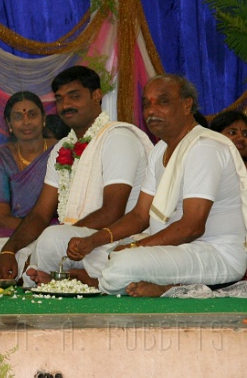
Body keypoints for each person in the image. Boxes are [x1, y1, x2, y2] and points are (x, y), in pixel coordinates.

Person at [0, 65, 152, 286]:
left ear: (96, 96)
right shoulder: (63, 148)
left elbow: (113, 212)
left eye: (74, 97)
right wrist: (9, 250)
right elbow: (39, 214)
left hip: (113, 240)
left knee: (51, 239)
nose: (65, 105)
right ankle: (55, 273)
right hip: (72, 240)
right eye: (60, 99)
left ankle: (46, 273)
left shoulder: (118, 138)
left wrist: (60, 240)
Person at [89, 75, 247, 296]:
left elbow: (192, 227)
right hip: (177, 248)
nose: (152, 111)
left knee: (121, 265)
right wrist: (93, 240)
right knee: (96, 254)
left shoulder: (204, 148)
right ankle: (158, 284)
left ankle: (95, 282)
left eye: (162, 101)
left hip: (217, 253)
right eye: (147, 104)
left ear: (186, 104)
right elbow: (139, 216)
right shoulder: (160, 151)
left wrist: (136, 247)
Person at [0, 93, 56, 263]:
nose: (26, 122)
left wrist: (49, 232)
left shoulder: (61, 149)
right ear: (9, 124)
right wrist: (33, 231)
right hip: (13, 232)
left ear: (43, 119)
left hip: (54, 230)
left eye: (32, 114)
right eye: (18, 117)